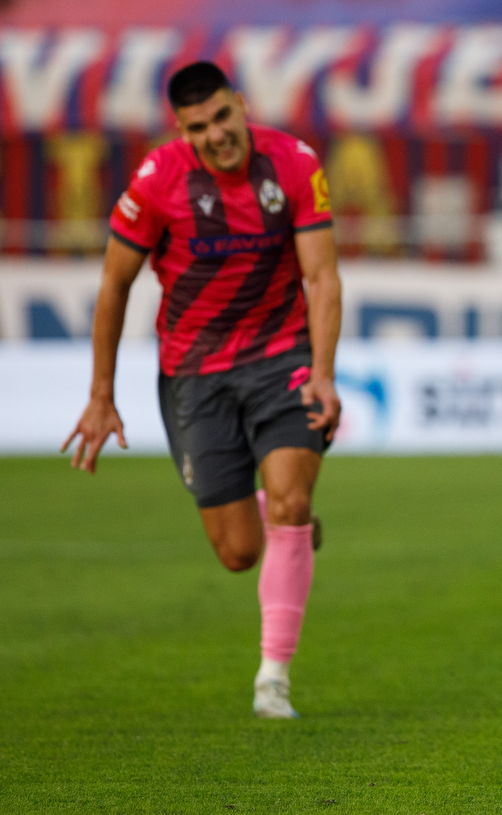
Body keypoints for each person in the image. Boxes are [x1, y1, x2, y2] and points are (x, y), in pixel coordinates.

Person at [60, 61, 342, 719]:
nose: (217, 135)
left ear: (241, 105)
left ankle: (273, 679)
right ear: (181, 130)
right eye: (199, 127)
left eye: (223, 116)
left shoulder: (295, 165)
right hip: (195, 372)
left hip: (283, 359)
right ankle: (288, 530)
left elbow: (322, 278)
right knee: (240, 551)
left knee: (290, 498)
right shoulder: (158, 183)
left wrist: (323, 373)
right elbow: (113, 287)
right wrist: (101, 396)